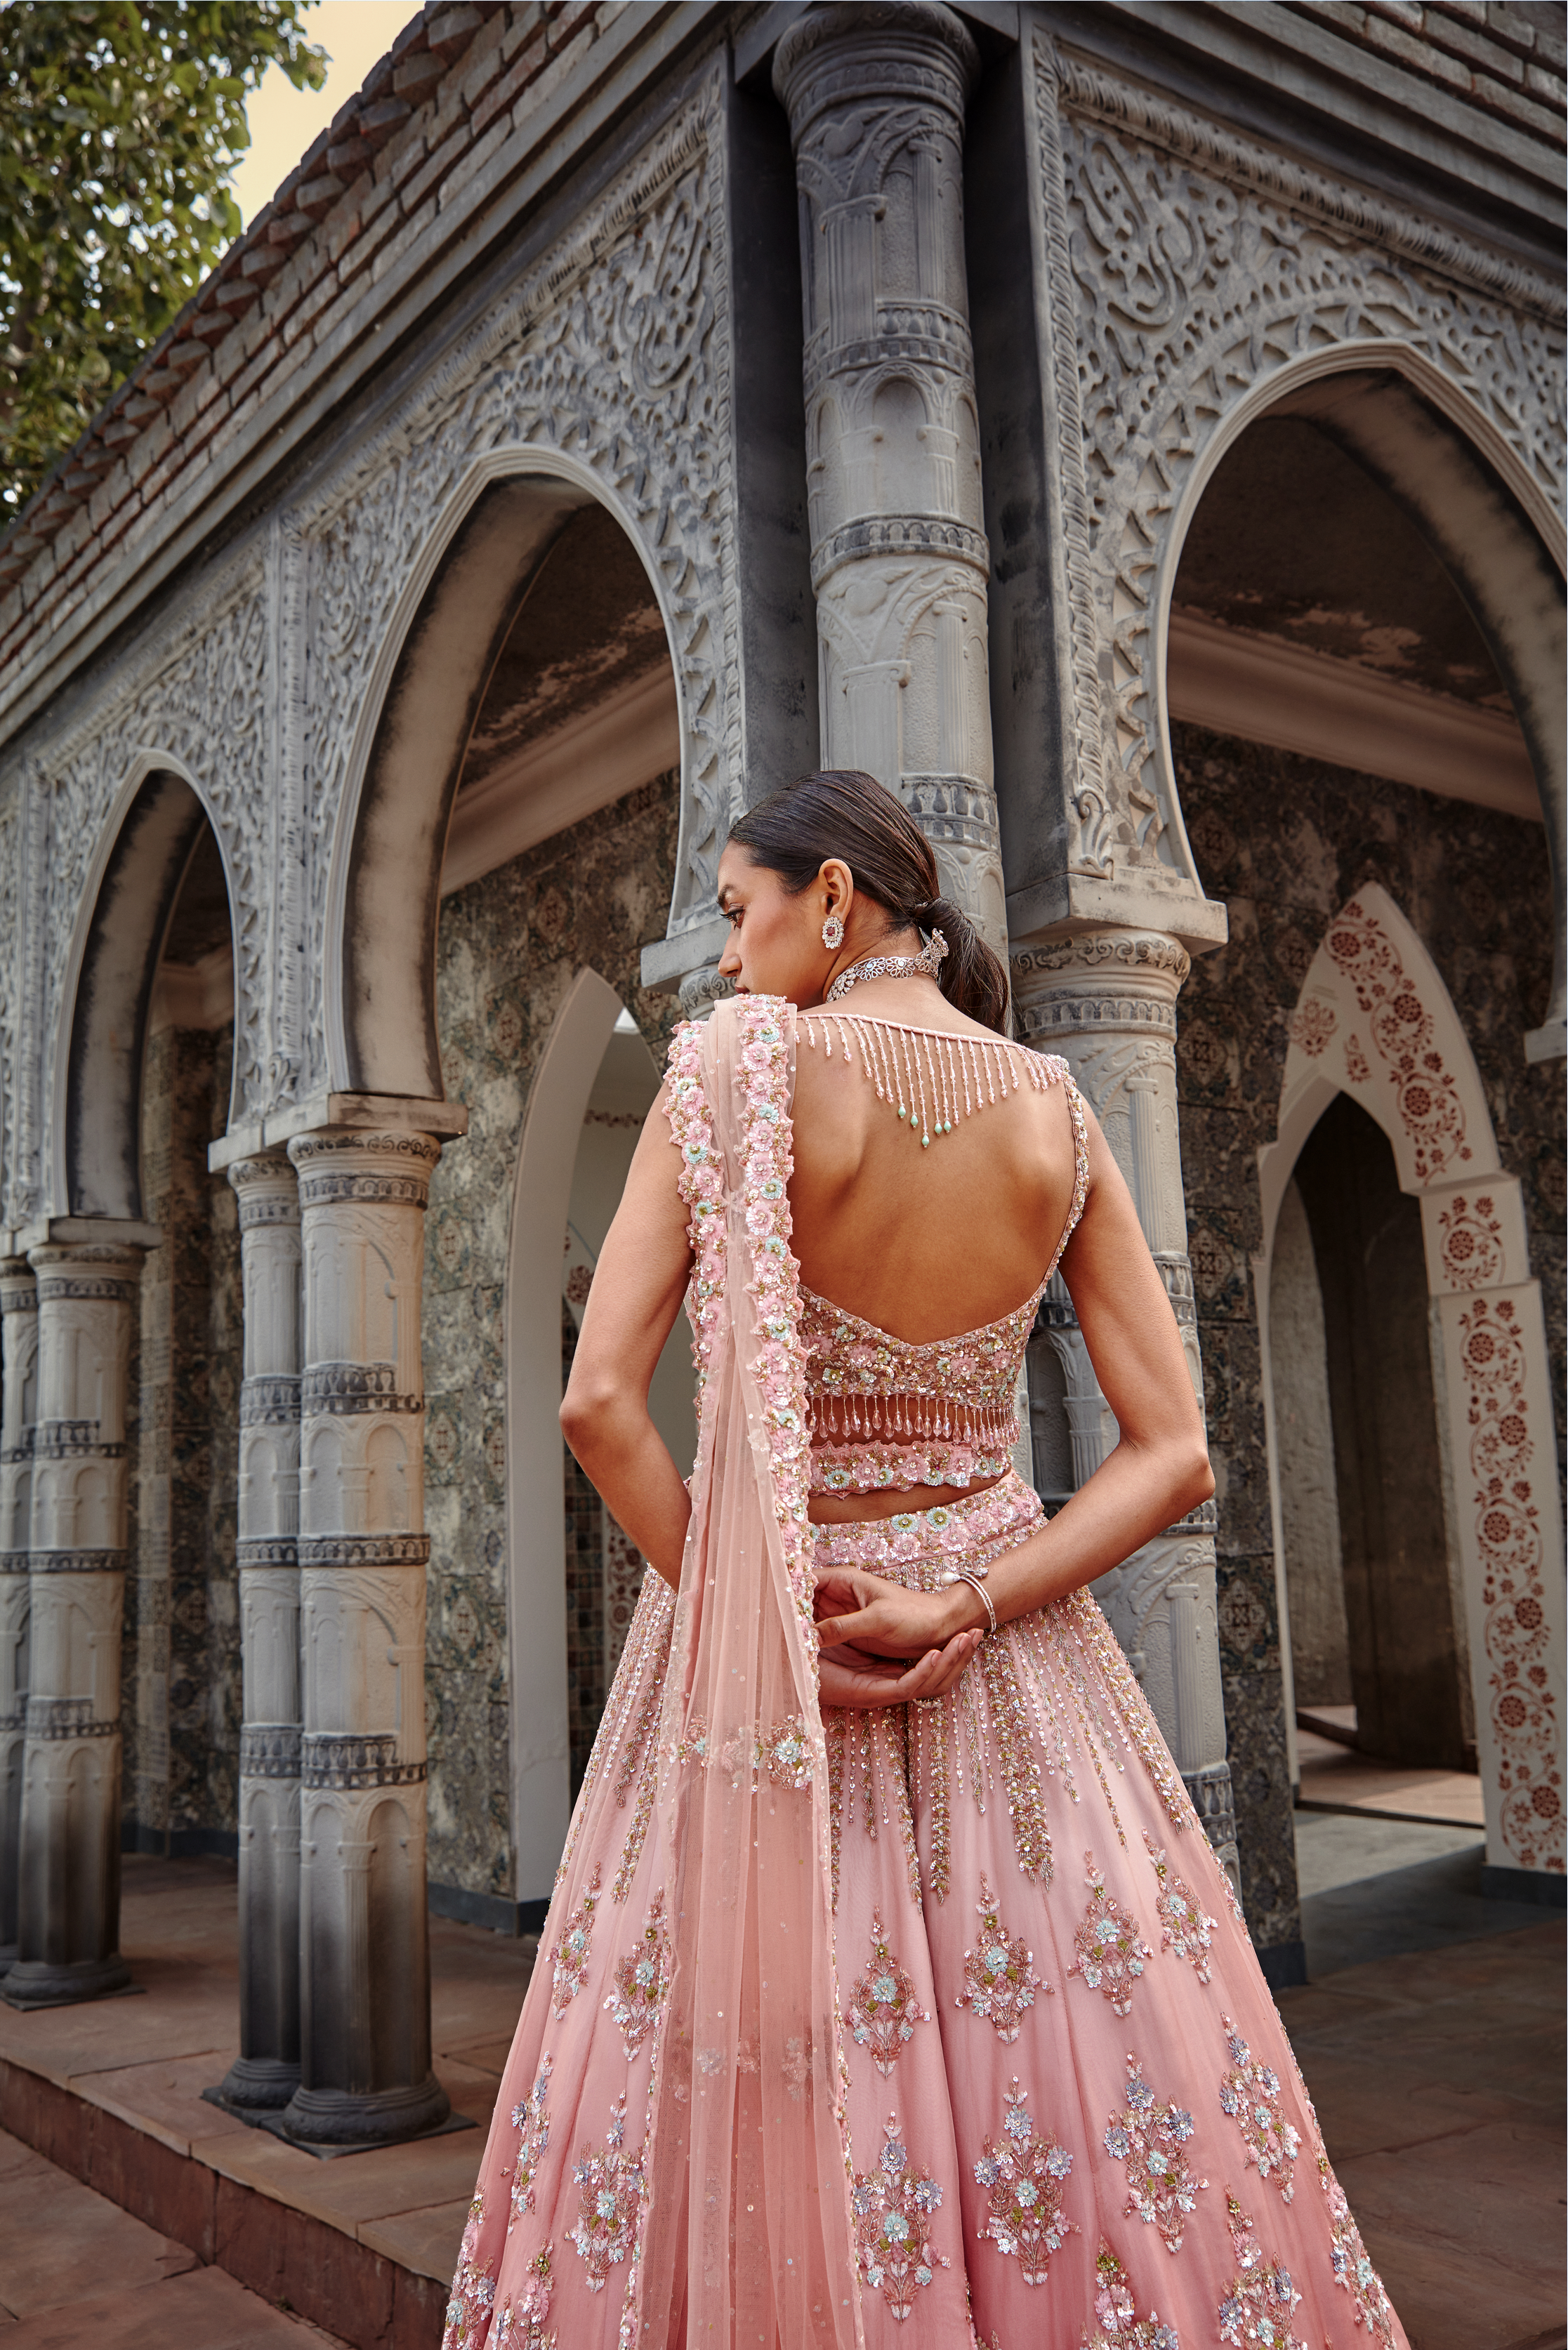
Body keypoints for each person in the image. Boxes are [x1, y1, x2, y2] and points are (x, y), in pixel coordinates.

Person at [444, 770, 1406, 2350]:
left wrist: (747, 1614)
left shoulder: (731, 1077)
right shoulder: (1058, 1104)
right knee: (1081, 2085)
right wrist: (968, 1593)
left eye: (742, 911)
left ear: (834, 899)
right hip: (1014, 1671)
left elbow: (601, 1403)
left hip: (782, 1661)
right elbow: (1176, 1452)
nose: (729, 956)